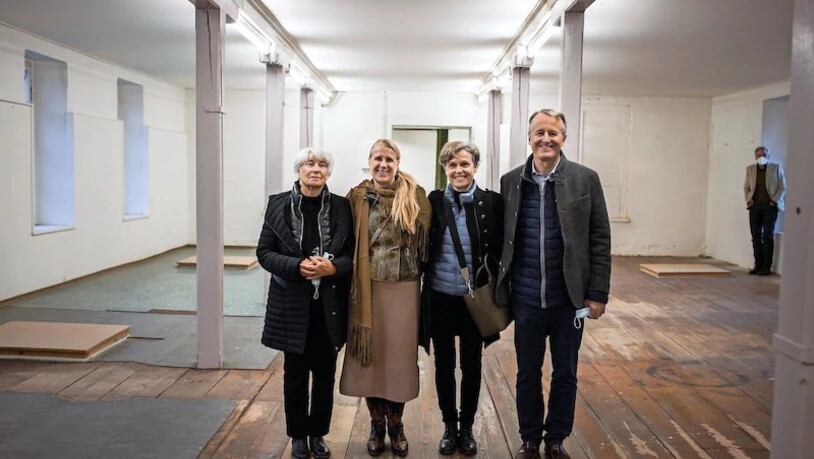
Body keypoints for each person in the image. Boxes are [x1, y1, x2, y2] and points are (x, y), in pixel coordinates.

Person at [496, 109, 611, 459]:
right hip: (526, 299)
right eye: (539, 132)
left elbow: (599, 238)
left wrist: (597, 293)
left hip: (568, 300)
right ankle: (530, 438)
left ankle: (556, 438)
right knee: (527, 374)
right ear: (529, 138)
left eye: (553, 133)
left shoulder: (585, 179)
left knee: (566, 374)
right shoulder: (511, 181)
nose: (546, 139)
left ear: (564, 138)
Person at [256, 147, 354, 459]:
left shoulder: (342, 207)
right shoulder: (278, 205)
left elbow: (352, 255)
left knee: (325, 374)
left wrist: (333, 268)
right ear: (299, 170)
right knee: (295, 375)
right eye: (309, 164)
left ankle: (318, 434)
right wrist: (297, 266)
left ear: (328, 172)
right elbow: (264, 253)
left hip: (329, 305)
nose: (315, 169)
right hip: (292, 304)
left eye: (322, 164)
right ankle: (298, 435)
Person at [339, 138, 431, 457]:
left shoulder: (415, 195)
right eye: (378, 158)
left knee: (399, 359)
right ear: (369, 162)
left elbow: (427, 243)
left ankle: (396, 424)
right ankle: (377, 424)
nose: (383, 164)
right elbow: (344, 239)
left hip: (404, 288)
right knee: (371, 358)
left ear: (397, 162)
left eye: (389, 159)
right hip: (367, 288)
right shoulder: (356, 196)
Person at [419, 141, 504, 455]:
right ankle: (448, 425)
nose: (459, 170)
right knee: (443, 365)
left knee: (471, 363)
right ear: (445, 169)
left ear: (475, 167)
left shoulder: (491, 202)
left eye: (464, 164)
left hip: (474, 300)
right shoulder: (434, 200)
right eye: (452, 165)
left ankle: (466, 426)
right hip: (440, 296)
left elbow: (501, 247)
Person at [743, 146, 786, 275]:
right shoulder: (750, 169)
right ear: (755, 156)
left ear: (768, 156)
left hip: (770, 207)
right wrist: (748, 200)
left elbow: (783, 187)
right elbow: (746, 187)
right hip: (755, 207)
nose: (762, 157)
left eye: (764, 155)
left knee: (767, 236)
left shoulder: (776, 168)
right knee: (755, 236)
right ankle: (758, 265)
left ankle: (766, 267)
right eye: (759, 155)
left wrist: (774, 201)